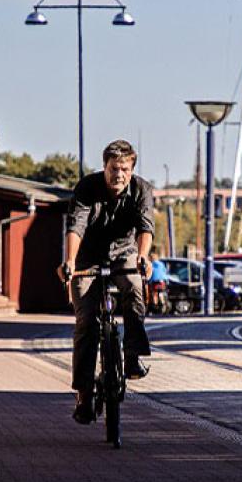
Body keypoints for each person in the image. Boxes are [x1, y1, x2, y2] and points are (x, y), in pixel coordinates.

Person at [57, 139, 154, 424]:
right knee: (86, 321)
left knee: (135, 289)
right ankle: (84, 394)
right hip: (87, 256)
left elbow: (145, 227)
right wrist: (71, 262)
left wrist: (143, 257)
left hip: (124, 253)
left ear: (131, 169)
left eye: (124, 169)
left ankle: (132, 355)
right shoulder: (88, 187)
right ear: (105, 167)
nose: (118, 175)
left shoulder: (141, 190)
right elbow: (76, 225)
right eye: (113, 168)